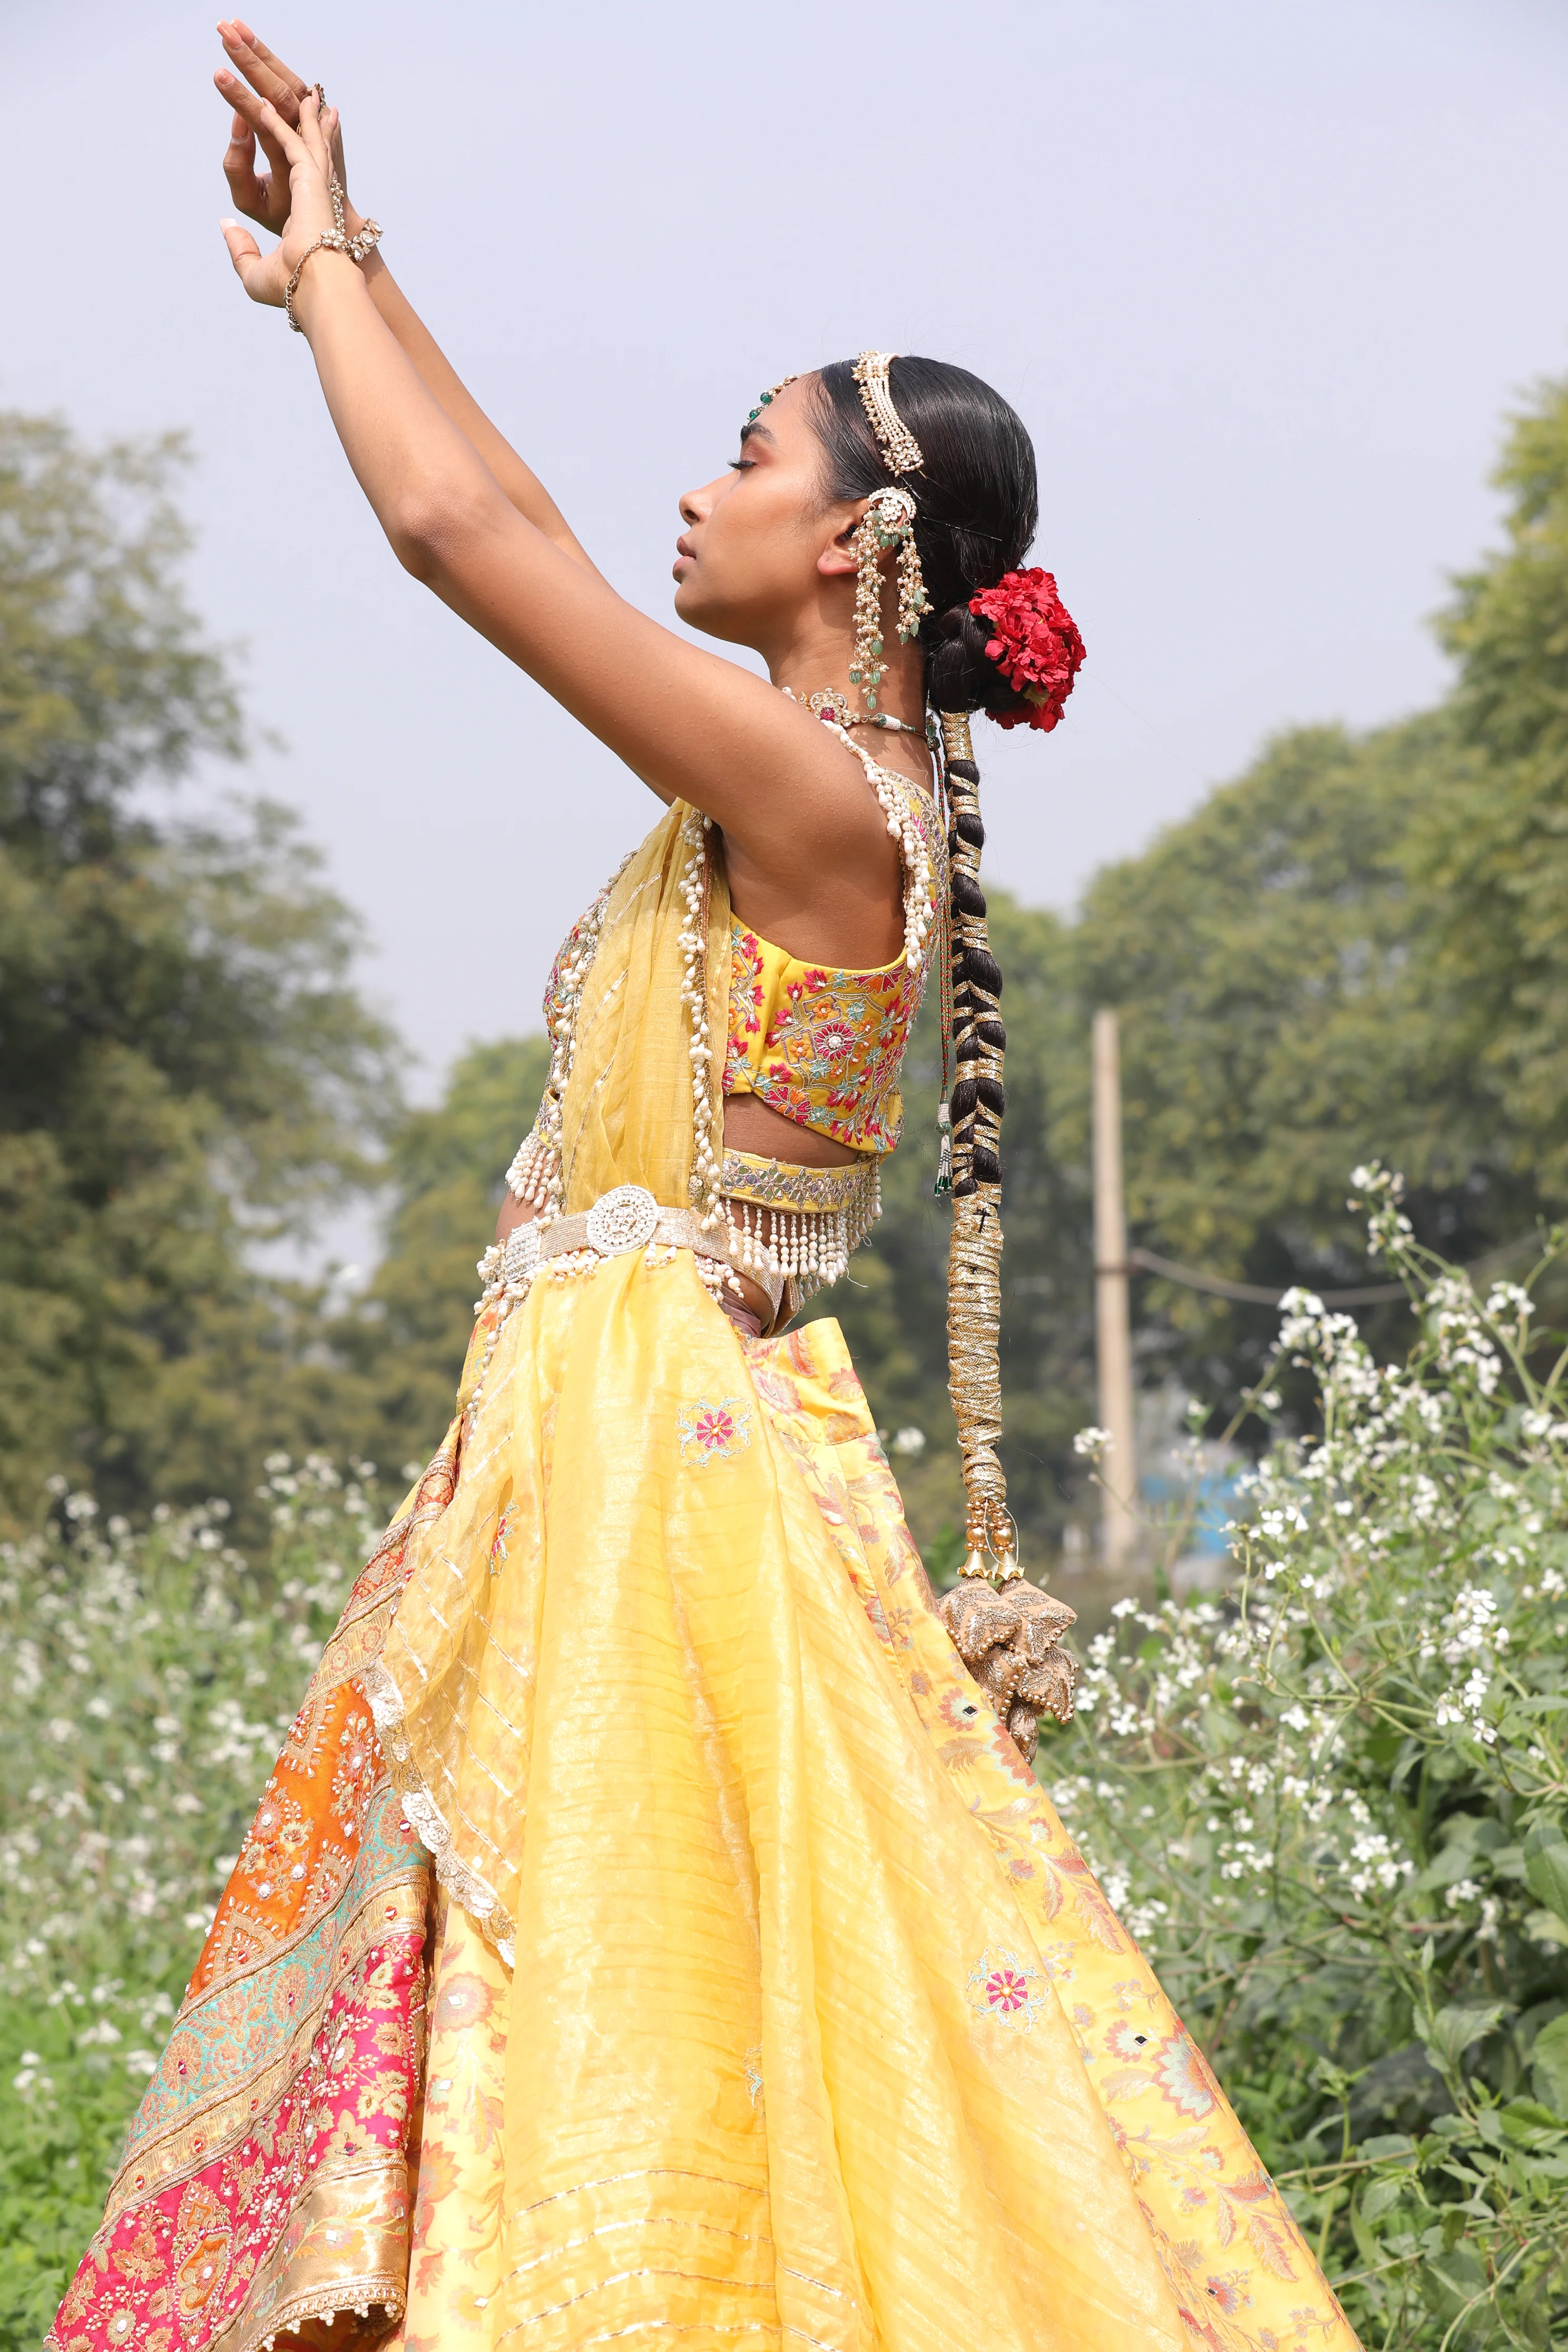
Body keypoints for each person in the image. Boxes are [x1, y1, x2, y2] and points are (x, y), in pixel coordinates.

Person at [46, 26, 1359, 2352]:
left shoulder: (828, 799)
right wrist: (352, 265)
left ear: (855, 534)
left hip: (658, 1481)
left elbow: (460, 544)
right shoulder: (805, 773)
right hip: (611, 1449)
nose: (700, 486)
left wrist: (335, 262)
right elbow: (533, 529)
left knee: (631, 2008)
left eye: (748, 453)